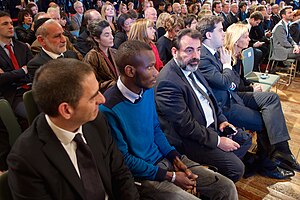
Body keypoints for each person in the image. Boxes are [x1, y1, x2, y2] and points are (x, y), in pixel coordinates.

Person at [100, 40, 238, 200]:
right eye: (150, 67)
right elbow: (126, 160)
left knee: (226, 187)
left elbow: (156, 129)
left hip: (164, 158)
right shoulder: (108, 108)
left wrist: (174, 157)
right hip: (144, 175)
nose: (156, 73)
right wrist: (170, 176)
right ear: (130, 71)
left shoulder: (147, 89)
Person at [7, 58, 139, 200]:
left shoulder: (96, 122)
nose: (102, 100)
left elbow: (120, 174)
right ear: (66, 110)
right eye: (93, 96)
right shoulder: (26, 160)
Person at [197, 15, 299, 179]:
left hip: (232, 97)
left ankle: (281, 151)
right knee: (265, 121)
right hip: (224, 106)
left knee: (271, 100)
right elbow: (226, 84)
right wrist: (227, 65)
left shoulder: (216, 53)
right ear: (209, 35)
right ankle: (268, 163)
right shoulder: (208, 56)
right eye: (220, 30)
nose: (223, 34)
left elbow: (235, 83)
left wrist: (246, 85)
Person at [155, 28, 252, 182]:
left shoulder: (192, 65)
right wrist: (219, 142)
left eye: (198, 50)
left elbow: (210, 98)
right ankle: (215, 183)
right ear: (174, 51)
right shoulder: (168, 81)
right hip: (189, 140)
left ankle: (217, 170)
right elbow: (186, 127)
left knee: (245, 139)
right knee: (237, 168)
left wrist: (222, 120)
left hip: (211, 127)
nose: (196, 56)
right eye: (189, 50)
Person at [0, 11, 33, 171]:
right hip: (13, 95)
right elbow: (1, 81)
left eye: (11, 23)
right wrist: (22, 71)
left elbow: (32, 70)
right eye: (4, 24)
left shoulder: (22, 47)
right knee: (34, 113)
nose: (10, 26)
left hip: (32, 88)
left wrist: (11, 74)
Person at [84, 20, 118, 93]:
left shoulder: (115, 52)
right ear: (96, 38)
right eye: (107, 35)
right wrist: (113, 84)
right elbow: (90, 84)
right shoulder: (92, 56)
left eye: (111, 33)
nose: (111, 37)